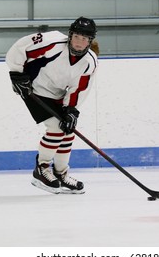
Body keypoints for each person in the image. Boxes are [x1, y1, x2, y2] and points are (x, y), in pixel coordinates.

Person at [6, 17, 99, 194]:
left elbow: (78, 89)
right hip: (33, 88)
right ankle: (41, 169)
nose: (79, 42)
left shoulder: (89, 62)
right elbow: (20, 47)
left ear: (90, 41)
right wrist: (16, 73)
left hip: (58, 95)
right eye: (77, 37)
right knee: (56, 128)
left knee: (68, 127)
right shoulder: (53, 42)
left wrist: (71, 110)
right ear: (70, 35)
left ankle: (61, 174)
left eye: (85, 39)